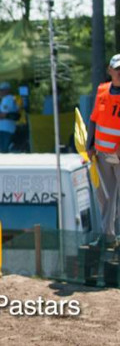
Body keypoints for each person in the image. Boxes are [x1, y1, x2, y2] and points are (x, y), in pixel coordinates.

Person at [88, 53, 120, 243]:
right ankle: (107, 237)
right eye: (117, 70)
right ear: (110, 71)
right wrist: (89, 145)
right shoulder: (102, 91)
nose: (119, 73)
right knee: (106, 197)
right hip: (102, 154)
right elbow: (94, 119)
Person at [0, 81, 18, 153]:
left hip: (7, 128)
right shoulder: (5, 99)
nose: (0, 91)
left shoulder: (8, 99)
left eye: (2, 90)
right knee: (3, 150)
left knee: (5, 150)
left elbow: (4, 114)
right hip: (3, 128)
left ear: (7, 90)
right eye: (0, 90)